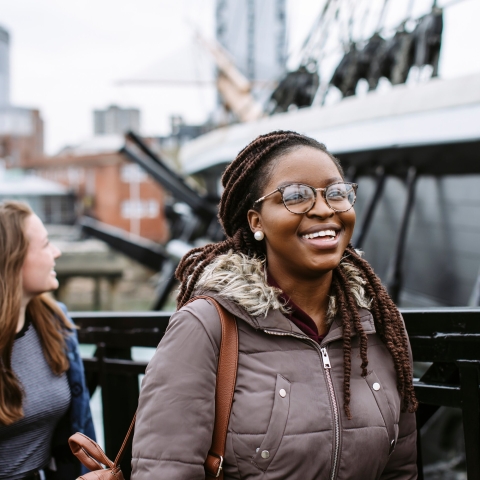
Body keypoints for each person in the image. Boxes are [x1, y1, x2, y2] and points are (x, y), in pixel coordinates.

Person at [131, 131, 418, 479]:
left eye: (337, 193)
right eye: (296, 196)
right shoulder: (206, 325)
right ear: (256, 222)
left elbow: (401, 469)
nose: (325, 208)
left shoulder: (380, 324)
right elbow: (165, 471)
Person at [0, 201, 95, 480]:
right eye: (45, 244)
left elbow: (82, 426)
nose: (57, 252)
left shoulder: (55, 322)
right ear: (13, 258)